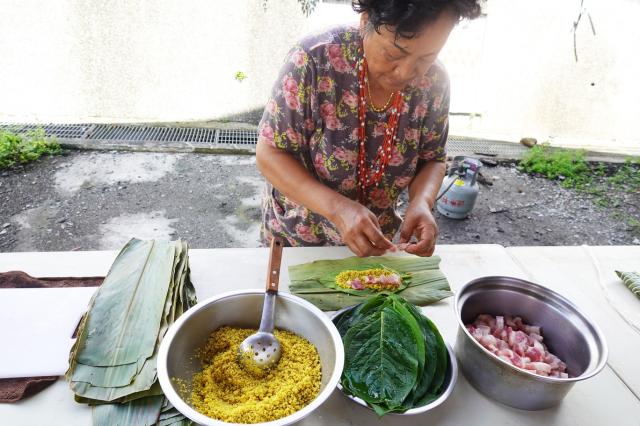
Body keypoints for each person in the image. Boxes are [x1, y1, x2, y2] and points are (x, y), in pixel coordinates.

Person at [256, 0, 481, 257]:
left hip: (375, 245)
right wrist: (338, 209)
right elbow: (269, 154)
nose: (406, 72)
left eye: (427, 57)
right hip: (297, 243)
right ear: (365, 22)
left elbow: (433, 159)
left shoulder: (435, 82)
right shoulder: (314, 60)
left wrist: (421, 203)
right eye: (393, 54)